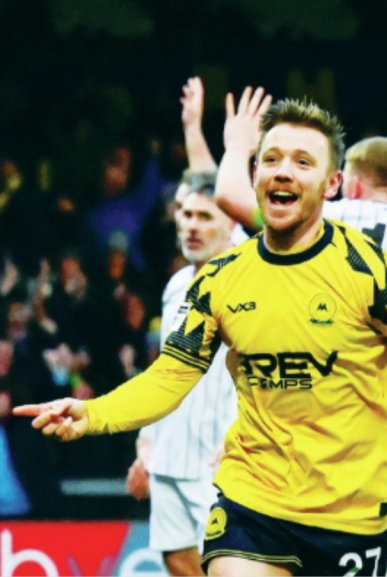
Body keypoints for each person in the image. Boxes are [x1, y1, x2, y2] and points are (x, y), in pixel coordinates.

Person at [15, 98, 387, 577]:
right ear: (255, 177)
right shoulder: (220, 279)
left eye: (302, 161)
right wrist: (93, 413)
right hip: (252, 502)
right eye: (270, 158)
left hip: (351, 514)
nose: (283, 171)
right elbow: (168, 378)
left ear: (334, 184)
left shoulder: (374, 273)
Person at [214, 115, 387, 576]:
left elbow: (230, 197)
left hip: (340, 432)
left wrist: (238, 146)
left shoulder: (324, 219)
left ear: (349, 182)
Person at [126, 84, 243, 576]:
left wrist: (207, 138)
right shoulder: (176, 284)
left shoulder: (247, 275)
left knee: (229, 565)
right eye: (184, 215)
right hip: (171, 451)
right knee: (177, 561)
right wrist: (146, 443)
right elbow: (164, 368)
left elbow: (223, 189)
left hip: (222, 454)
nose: (191, 225)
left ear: (230, 225)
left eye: (204, 216)